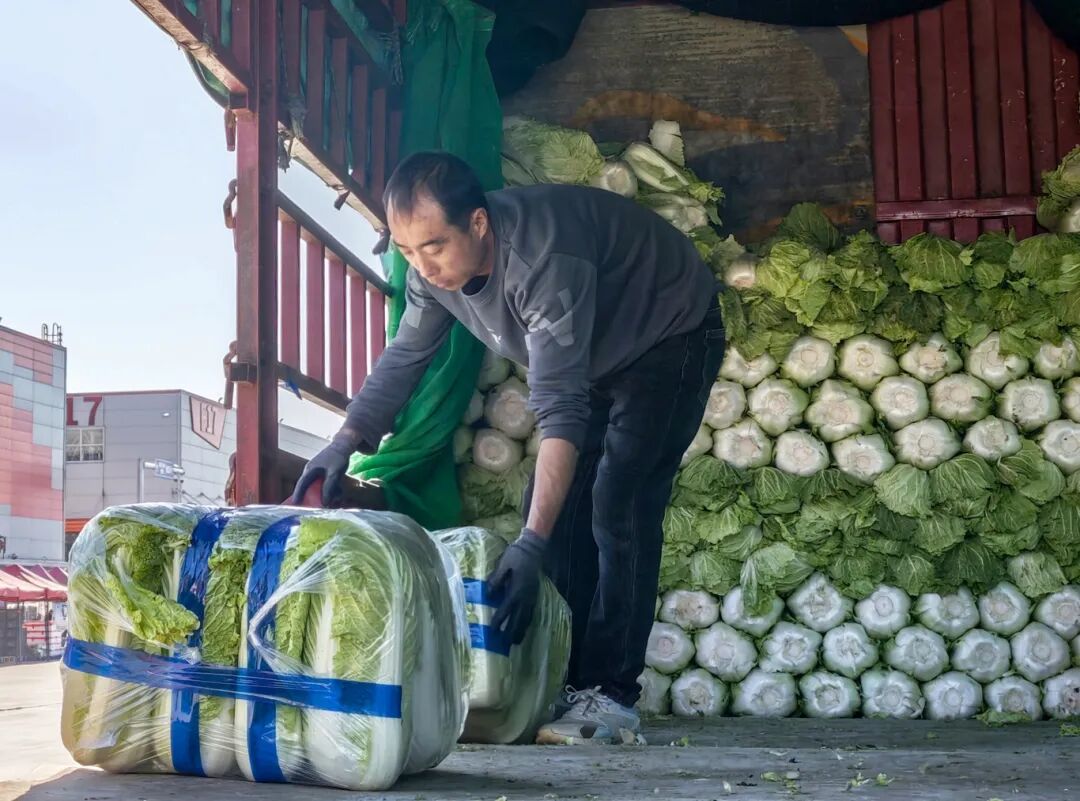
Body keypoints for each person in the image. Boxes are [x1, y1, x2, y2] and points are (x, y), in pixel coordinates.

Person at [291, 151, 726, 744]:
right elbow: (405, 356)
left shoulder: (541, 262)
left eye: (434, 246)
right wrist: (344, 442)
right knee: (556, 516)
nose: (423, 266)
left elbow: (560, 412)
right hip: (598, 347)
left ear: (478, 223)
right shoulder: (428, 275)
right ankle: (565, 677)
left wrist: (530, 544)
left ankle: (611, 695)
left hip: (669, 329)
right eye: (407, 250)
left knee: (619, 499)